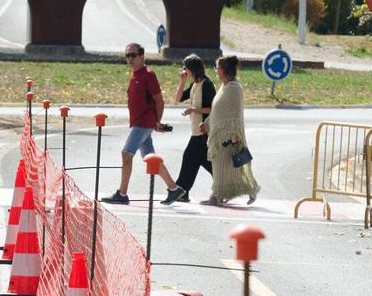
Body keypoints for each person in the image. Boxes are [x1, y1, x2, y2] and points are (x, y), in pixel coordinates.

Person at [101, 42, 185, 206]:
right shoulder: (135, 75)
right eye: (127, 55)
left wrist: (157, 122)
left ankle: (122, 194)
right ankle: (174, 189)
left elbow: (159, 101)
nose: (130, 58)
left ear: (141, 56)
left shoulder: (148, 75)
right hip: (138, 123)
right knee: (150, 157)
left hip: (144, 123)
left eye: (133, 55)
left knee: (126, 154)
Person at [204, 53, 259, 206]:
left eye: (216, 68)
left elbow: (235, 115)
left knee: (224, 168)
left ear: (222, 70)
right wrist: (207, 123)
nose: (215, 71)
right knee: (221, 168)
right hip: (218, 136)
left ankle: (218, 196)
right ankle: (220, 194)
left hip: (229, 138)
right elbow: (218, 110)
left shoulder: (234, 89)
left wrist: (235, 136)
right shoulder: (224, 87)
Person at [171, 55, 215, 200]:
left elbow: (212, 109)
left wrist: (193, 110)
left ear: (192, 69)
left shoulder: (207, 84)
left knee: (189, 158)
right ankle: (226, 183)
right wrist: (182, 81)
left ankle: (181, 191)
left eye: (185, 68)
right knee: (206, 163)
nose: (184, 70)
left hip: (204, 131)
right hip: (196, 131)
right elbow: (177, 99)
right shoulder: (195, 84)